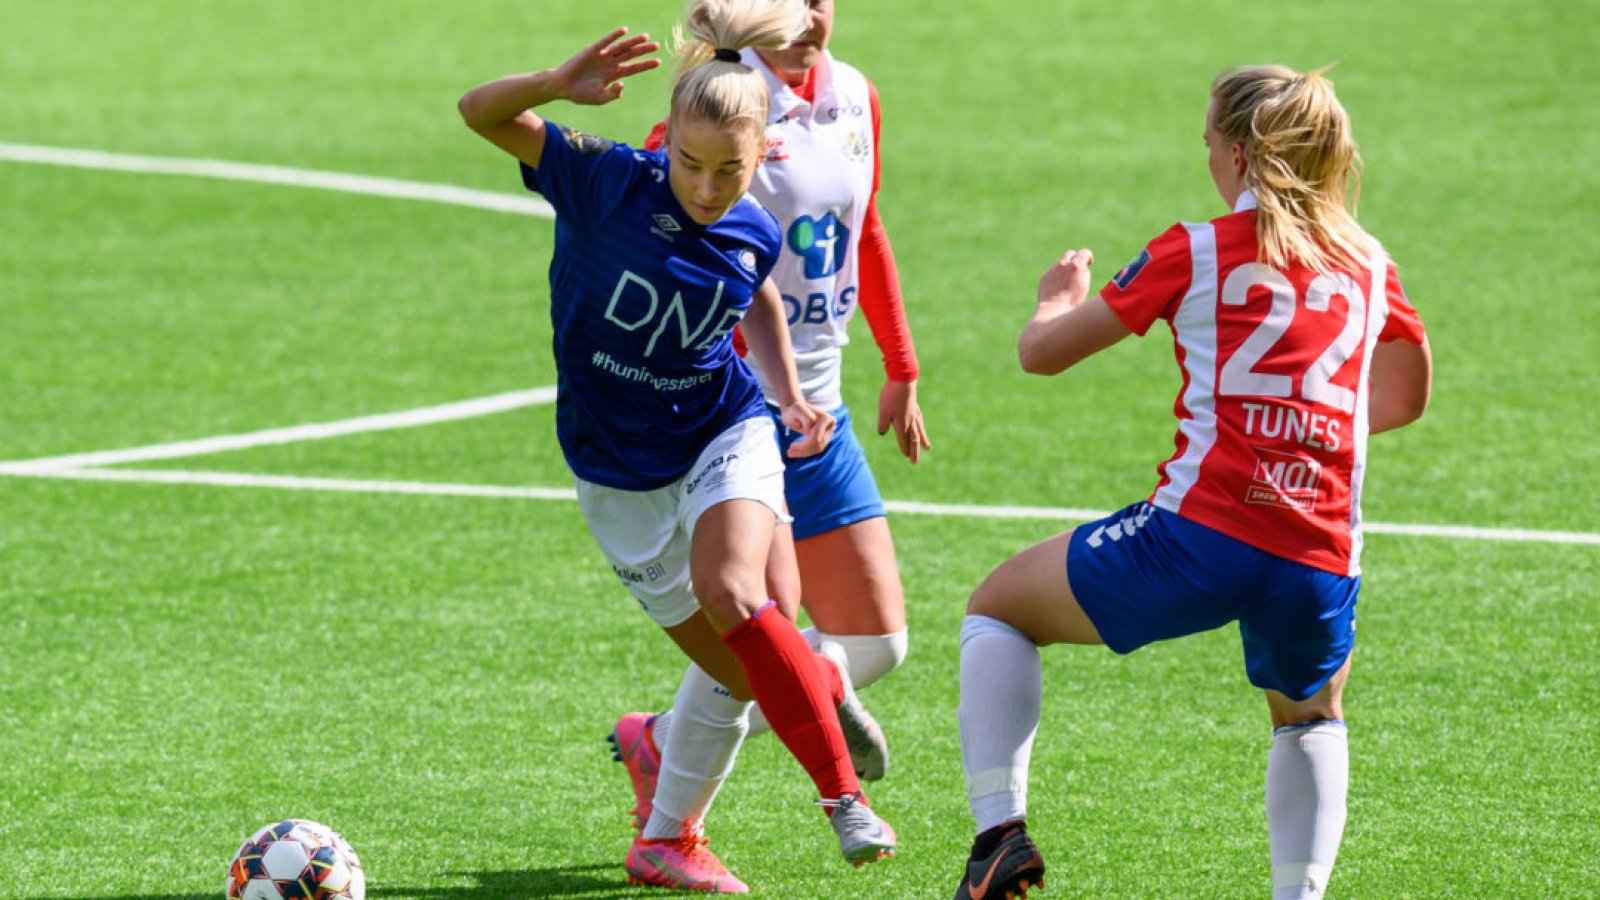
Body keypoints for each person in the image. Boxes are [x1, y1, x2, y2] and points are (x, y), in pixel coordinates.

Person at [951, 64, 1432, 900]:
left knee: (996, 609)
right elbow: (1403, 398)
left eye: (1210, 142)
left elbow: (1043, 355)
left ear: (1241, 156)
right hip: (1319, 551)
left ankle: (998, 835)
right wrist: (1305, 429)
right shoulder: (1369, 262)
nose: (1205, 155)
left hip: (1197, 536)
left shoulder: (1197, 247)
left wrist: (1053, 299)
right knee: (1310, 717)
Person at [456, 2, 897, 893]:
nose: (705, 188)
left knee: (739, 596)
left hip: (723, 428)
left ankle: (842, 800)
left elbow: (762, 299)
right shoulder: (606, 180)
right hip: (615, 468)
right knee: (743, 669)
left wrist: (786, 395)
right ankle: (668, 839)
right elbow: (479, 112)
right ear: (667, 146)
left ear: (761, 153)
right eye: (690, 165)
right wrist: (552, 84)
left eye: (729, 171)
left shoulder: (751, 225)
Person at [607, 0, 928, 878]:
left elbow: (867, 225)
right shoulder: (711, 111)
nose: (814, 15)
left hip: (818, 409)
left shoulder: (856, 94)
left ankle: (665, 741)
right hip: (733, 416)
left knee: (874, 645)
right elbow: (643, 232)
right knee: (757, 626)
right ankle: (669, 831)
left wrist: (899, 362)